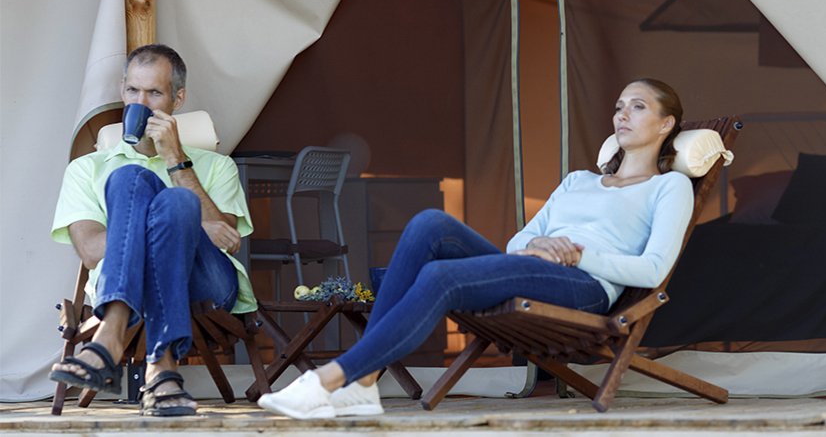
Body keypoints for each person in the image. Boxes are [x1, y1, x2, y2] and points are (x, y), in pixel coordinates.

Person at [258, 78, 694, 419]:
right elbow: (517, 242)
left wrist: (581, 255)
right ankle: (365, 381)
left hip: (585, 286)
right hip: (532, 266)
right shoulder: (578, 180)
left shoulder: (669, 187)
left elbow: (654, 269)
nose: (622, 114)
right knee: (431, 223)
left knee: (439, 276)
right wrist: (538, 242)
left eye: (638, 106)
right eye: (619, 106)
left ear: (666, 124)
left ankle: (330, 379)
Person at [49, 44, 255, 417]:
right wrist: (186, 223)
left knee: (178, 201)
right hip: (127, 284)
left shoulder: (217, 165)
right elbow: (92, 252)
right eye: (133, 91)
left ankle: (108, 338)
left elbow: (227, 239)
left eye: (154, 93)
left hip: (206, 286)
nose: (140, 103)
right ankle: (162, 369)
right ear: (122, 90)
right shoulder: (86, 169)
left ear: (178, 99)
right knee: (142, 186)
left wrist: (177, 160)